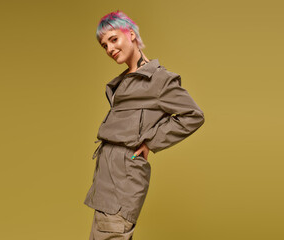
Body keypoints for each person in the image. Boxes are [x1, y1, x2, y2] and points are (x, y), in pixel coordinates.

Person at [85, 10, 206, 240]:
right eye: (105, 46)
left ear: (130, 34)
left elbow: (193, 115)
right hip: (105, 179)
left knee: (111, 233)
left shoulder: (159, 80)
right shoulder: (123, 81)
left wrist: (151, 142)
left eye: (113, 39)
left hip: (122, 181)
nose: (110, 49)